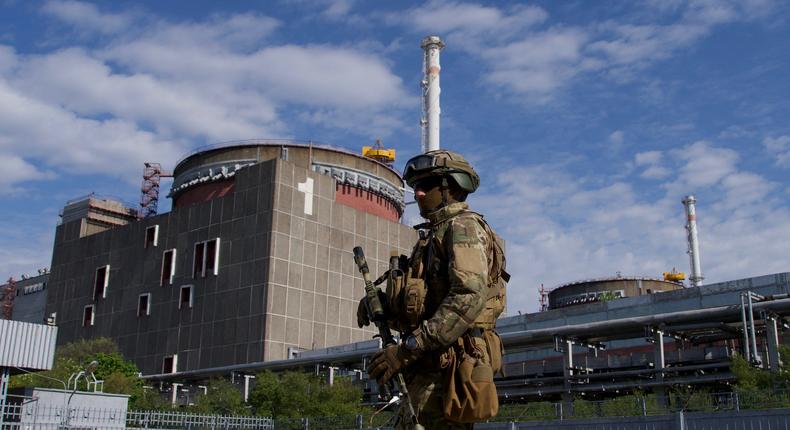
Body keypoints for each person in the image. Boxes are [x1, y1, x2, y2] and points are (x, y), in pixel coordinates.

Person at [357, 150, 508, 429]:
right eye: (415, 187)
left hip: (447, 370)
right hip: (428, 368)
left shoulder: (463, 227)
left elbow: (467, 297)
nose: (418, 194)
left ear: (450, 188)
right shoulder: (432, 237)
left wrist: (406, 350)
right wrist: (382, 305)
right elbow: (425, 307)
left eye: (426, 186)